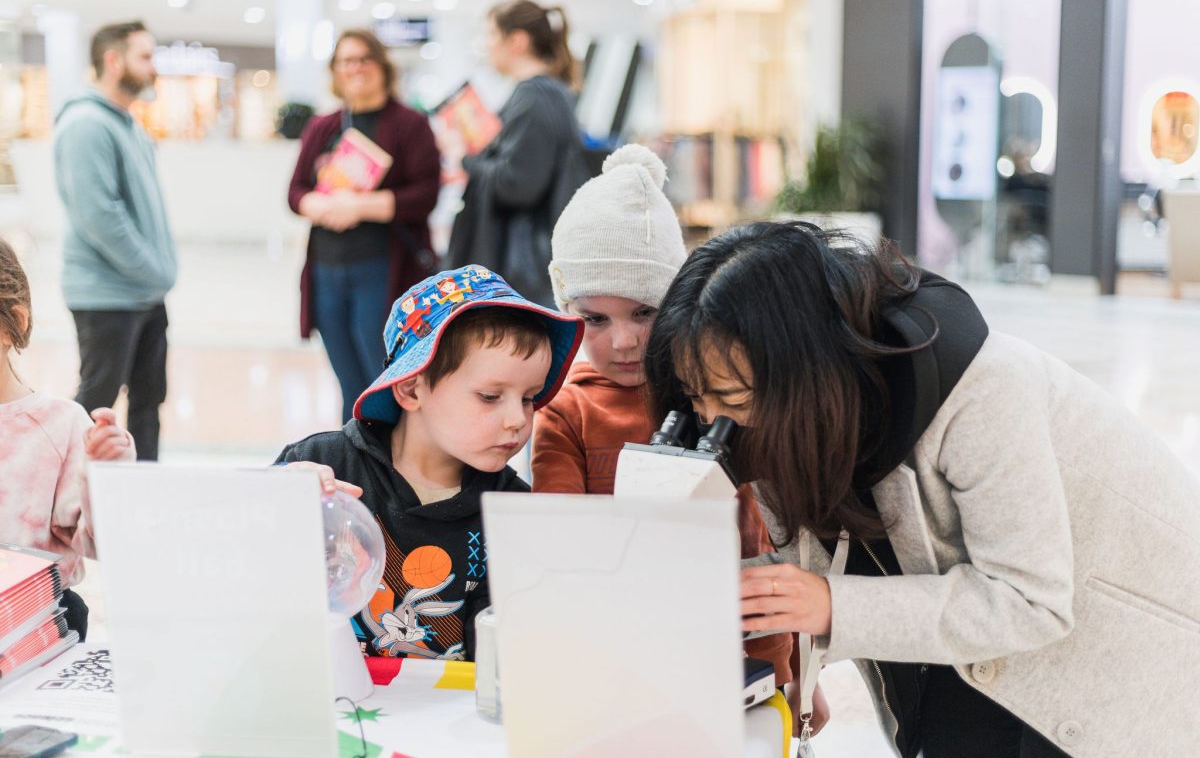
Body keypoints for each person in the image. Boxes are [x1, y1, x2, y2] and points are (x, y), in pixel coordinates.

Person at [644, 221, 1200, 757]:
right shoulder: (778, 417)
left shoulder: (982, 392)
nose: (717, 420)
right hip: (969, 673)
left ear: (804, 370)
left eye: (734, 400)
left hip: (1106, 675)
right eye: (696, 397)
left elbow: (1029, 602)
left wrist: (829, 604)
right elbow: (811, 565)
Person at [530, 144, 807, 724]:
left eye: (644, 311)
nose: (624, 342)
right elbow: (562, 554)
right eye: (595, 319)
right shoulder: (565, 411)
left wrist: (789, 677)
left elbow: (761, 551)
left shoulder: (725, 396)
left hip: (740, 666)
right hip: (620, 664)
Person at [277, 265, 582, 660]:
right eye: (490, 396)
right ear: (410, 388)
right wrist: (278, 503)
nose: (518, 420)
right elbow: (245, 574)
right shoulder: (322, 466)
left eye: (529, 398)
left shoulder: (513, 512)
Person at [288, 29, 441, 424]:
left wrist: (361, 206)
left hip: (382, 271)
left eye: (363, 59)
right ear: (335, 72)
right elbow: (294, 191)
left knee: (385, 378)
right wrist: (321, 205)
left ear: (381, 66)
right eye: (345, 61)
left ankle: (392, 472)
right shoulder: (324, 127)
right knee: (348, 384)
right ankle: (355, 466)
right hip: (327, 270)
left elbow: (425, 195)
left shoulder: (410, 124)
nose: (355, 69)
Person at [0, 237, 137, 640]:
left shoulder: (59, 426)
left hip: (32, 628)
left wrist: (105, 475)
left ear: (15, 323)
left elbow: (105, 543)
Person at [53, 20, 177, 460]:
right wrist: (153, 269)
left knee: (148, 404)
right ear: (113, 60)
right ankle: (71, 500)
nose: (152, 67)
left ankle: (144, 494)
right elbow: (98, 216)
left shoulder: (127, 123)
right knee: (96, 407)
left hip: (143, 293)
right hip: (106, 295)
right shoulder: (86, 123)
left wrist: (155, 277)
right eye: (144, 56)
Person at [446, 0, 591, 307]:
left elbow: (517, 184)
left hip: (525, 271)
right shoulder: (548, 93)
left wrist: (467, 159)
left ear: (517, 42)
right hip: (535, 266)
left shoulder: (534, 96)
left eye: (490, 35)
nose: (485, 45)